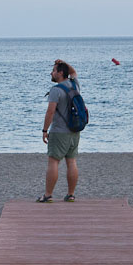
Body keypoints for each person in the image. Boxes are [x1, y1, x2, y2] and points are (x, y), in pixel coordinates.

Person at [37, 59, 81, 203]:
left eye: (54, 70)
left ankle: (48, 195)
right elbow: (73, 72)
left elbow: (50, 112)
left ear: (60, 73)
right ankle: (71, 194)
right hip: (74, 131)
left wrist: (44, 130)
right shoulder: (74, 85)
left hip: (59, 131)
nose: (51, 73)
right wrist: (64, 63)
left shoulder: (56, 90)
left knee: (53, 162)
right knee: (71, 161)